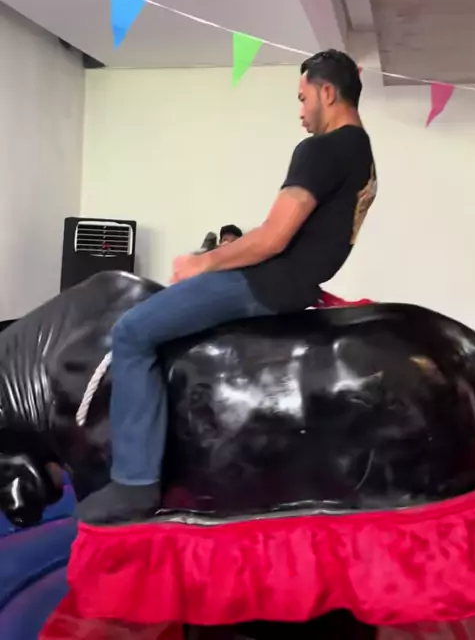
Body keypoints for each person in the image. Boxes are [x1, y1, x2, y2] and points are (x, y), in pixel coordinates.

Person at [78, 49, 377, 524]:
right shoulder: (363, 152)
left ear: (327, 92)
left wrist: (204, 262)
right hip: (300, 284)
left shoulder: (322, 149)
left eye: (303, 99)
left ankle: (134, 484)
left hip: (270, 283)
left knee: (131, 333)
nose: (300, 112)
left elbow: (274, 237)